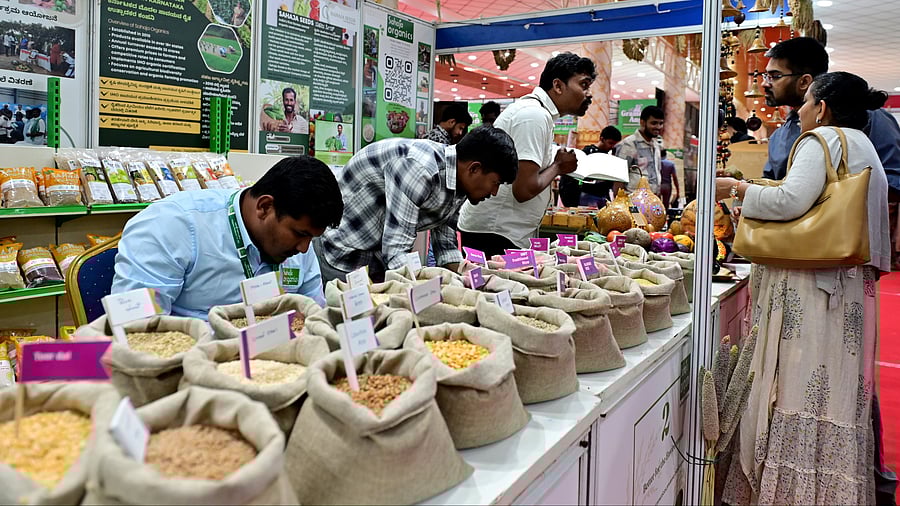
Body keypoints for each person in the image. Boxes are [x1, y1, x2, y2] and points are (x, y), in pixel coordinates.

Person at [715, 72, 890, 505]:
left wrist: (740, 188)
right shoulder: (864, 145)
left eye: (806, 102)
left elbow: (791, 201)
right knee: (836, 393)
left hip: (814, 287)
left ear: (823, 107)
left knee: (797, 385)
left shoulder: (822, 139)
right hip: (849, 286)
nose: (801, 111)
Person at [112, 156, 343, 319]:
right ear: (264, 207)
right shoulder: (171, 226)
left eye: (311, 238)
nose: (304, 249)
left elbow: (312, 314)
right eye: (300, 234)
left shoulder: (299, 243)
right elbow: (138, 329)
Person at [314, 125, 518, 282]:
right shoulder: (420, 168)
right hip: (344, 253)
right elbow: (396, 253)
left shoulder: (460, 183)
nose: (494, 192)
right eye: (495, 183)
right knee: (350, 328)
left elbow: (446, 248)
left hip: (375, 258)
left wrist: (477, 276)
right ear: (474, 169)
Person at [458, 52, 594, 256]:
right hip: (496, 231)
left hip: (503, 230)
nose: (589, 94)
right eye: (584, 85)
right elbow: (523, 190)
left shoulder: (538, 113)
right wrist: (558, 166)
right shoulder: (534, 116)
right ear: (558, 86)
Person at [558, 125, 623, 207]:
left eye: (615, 144)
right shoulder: (587, 153)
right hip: (586, 196)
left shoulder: (611, 156)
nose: (612, 147)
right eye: (610, 143)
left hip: (603, 196)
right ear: (602, 139)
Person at [617, 105, 664, 194]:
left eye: (660, 123)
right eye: (654, 123)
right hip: (632, 203)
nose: (658, 127)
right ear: (642, 122)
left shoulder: (656, 145)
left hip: (651, 202)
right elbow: (618, 179)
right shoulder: (628, 144)